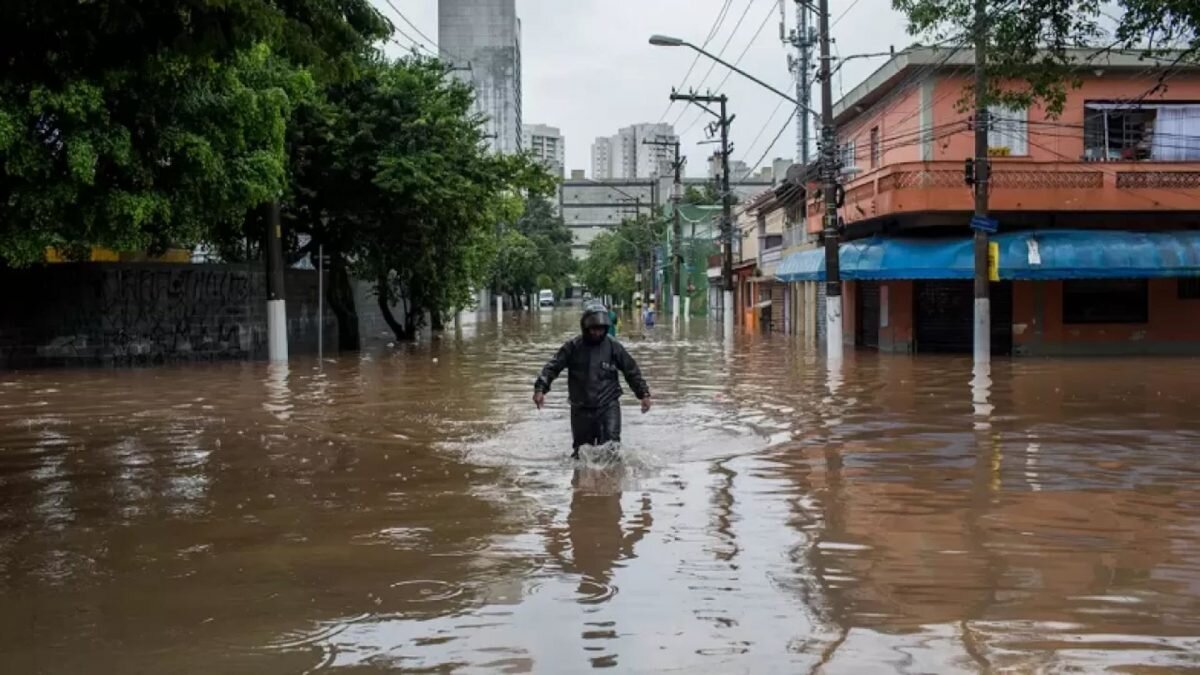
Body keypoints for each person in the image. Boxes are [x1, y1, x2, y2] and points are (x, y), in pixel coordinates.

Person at [533, 304, 651, 458]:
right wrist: (540, 389)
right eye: (593, 329)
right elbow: (552, 368)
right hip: (581, 408)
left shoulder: (613, 346)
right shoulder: (573, 347)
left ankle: (611, 481)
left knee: (612, 450)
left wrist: (644, 394)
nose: (597, 333)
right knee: (581, 454)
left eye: (601, 329)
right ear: (585, 328)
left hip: (608, 406)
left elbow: (631, 371)